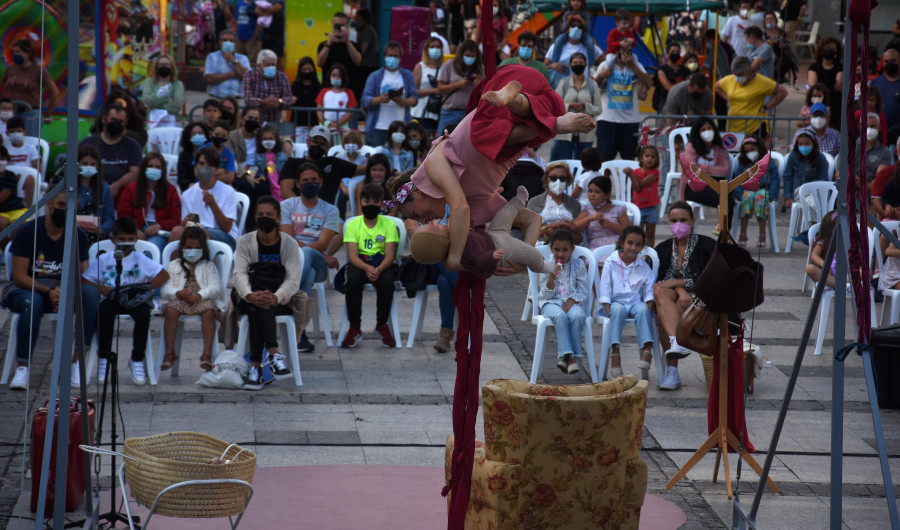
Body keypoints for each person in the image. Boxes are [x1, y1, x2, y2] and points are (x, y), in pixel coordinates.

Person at [387, 64, 593, 272]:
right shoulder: (476, 205)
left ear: (419, 192)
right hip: (544, 107)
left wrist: (455, 259)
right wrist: (523, 259)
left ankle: (539, 115)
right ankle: (541, 115)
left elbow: (459, 208)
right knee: (518, 119)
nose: (425, 221)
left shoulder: (434, 164)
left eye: (416, 214)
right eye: (423, 223)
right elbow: (532, 219)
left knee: (483, 133)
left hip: (504, 92)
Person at [2, 192, 99, 390]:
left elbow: (85, 275)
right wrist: (49, 291)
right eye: (61, 204)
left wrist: (64, 291)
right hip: (29, 288)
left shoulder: (77, 234)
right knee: (32, 303)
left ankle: (77, 361)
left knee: (90, 295)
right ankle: (23, 366)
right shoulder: (28, 231)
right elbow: (19, 276)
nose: (65, 210)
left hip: (63, 289)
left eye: (71, 207)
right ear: (49, 205)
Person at [83, 217, 169, 385]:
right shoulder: (104, 259)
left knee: (143, 315)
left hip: (135, 299)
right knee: (104, 314)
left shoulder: (140, 259)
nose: (126, 243)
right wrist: (102, 288)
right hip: (112, 297)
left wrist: (146, 287)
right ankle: (104, 357)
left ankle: (137, 359)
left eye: (130, 239)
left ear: (136, 239)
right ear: (113, 239)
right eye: (122, 239)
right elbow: (86, 279)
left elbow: (164, 274)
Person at [410, 185, 550, 279]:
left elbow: (533, 218)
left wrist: (521, 263)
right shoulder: (454, 245)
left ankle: (518, 202)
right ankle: (541, 265)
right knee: (445, 282)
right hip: (500, 249)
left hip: (494, 234)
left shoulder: (456, 196)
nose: (428, 220)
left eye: (416, 214)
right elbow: (477, 258)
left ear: (419, 192)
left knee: (505, 214)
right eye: (417, 219)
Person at [234, 195, 298, 389]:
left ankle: (256, 369)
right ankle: (274, 354)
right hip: (248, 295)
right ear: (254, 217)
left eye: (269, 215)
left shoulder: (289, 244)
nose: (265, 218)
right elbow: (239, 274)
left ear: (279, 218)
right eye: (260, 214)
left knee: (258, 310)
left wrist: (275, 297)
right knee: (256, 305)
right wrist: (250, 295)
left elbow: (293, 280)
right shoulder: (245, 242)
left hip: (279, 298)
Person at [653, 201, 716, 390]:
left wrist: (678, 283)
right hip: (673, 299)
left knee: (663, 313)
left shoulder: (707, 245)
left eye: (683, 220)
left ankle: (674, 346)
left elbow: (710, 278)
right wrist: (680, 290)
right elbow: (660, 282)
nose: (678, 224)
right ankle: (673, 361)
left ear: (692, 221)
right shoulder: (663, 249)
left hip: (702, 300)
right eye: (674, 220)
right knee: (660, 295)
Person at [280, 163, 341, 351]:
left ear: (321, 182)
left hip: (317, 260)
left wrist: (318, 252)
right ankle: (300, 334)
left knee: (306, 254)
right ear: (298, 184)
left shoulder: (330, 210)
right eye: (305, 181)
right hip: (295, 261)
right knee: (307, 274)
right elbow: (288, 239)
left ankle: (287, 296)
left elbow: (323, 244)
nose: (310, 184)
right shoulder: (286, 206)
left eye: (314, 180)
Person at [340, 183, 399, 347]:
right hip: (360, 262)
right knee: (352, 282)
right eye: (367, 201)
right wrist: (367, 268)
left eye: (375, 201)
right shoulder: (352, 224)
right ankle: (354, 328)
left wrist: (379, 268)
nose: (371, 205)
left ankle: (382, 325)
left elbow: (390, 255)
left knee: (388, 282)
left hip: (382, 262)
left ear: (381, 203)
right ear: (360, 203)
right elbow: (352, 256)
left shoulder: (388, 225)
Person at [160, 226, 224, 372]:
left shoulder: (208, 266)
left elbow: (216, 288)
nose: (192, 251)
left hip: (201, 299)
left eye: (197, 248)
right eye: (189, 247)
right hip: (181, 298)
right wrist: (177, 293)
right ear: (182, 247)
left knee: (209, 312)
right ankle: (169, 353)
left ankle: (206, 355)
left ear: (203, 249)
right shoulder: (174, 265)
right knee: (170, 311)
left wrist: (200, 295)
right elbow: (165, 289)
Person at [598, 226, 656, 380]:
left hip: (636, 302)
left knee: (643, 310)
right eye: (630, 243)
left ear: (642, 247)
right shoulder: (611, 262)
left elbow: (649, 286)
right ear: (622, 242)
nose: (633, 248)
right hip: (616, 302)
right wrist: (607, 305)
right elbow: (604, 286)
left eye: (638, 245)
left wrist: (649, 304)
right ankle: (615, 351)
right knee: (617, 311)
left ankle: (647, 348)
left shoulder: (643, 266)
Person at [538, 229, 588, 375]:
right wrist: (552, 278)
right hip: (550, 303)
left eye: (565, 250)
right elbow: (545, 294)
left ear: (572, 249)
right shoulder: (546, 265)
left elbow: (583, 290)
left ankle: (565, 357)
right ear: (551, 249)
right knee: (560, 316)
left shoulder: (578, 264)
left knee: (577, 316)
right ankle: (571, 357)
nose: (561, 254)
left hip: (573, 302)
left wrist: (572, 300)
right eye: (557, 250)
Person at [594, 40, 652, 161]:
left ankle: (629, 181)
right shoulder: (605, 65)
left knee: (630, 160)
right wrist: (601, 75)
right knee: (604, 161)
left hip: (630, 121)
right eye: (624, 51)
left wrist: (633, 66)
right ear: (616, 51)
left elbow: (648, 83)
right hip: (607, 120)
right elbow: (593, 87)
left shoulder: (636, 65)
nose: (627, 54)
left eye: (630, 51)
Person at [173, 147, 239, 249]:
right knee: (177, 231)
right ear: (195, 166)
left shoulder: (228, 191)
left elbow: (227, 228)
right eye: (202, 164)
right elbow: (185, 225)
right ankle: (175, 265)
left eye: (209, 165)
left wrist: (213, 204)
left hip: (225, 236)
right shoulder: (187, 194)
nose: (205, 168)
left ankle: (207, 265)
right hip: (196, 231)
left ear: (216, 170)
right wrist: (185, 222)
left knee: (201, 234)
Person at [116, 153, 182, 253]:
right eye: (150, 166)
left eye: (157, 167)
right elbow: (123, 215)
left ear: (163, 170)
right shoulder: (131, 188)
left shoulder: (170, 190)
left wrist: (159, 226)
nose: (154, 169)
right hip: (135, 229)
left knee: (151, 249)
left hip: (159, 231)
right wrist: (134, 230)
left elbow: (176, 219)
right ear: (144, 168)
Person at [78, 103, 143, 198]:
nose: (116, 123)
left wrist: (116, 186)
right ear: (104, 119)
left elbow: (135, 172)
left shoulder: (132, 145)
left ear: (126, 123)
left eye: (121, 121)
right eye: (113, 120)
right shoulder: (88, 143)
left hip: (121, 194)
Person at [361, 42, 419, 147]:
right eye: (390, 56)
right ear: (384, 57)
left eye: (395, 56)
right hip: (378, 128)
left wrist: (402, 101)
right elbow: (365, 100)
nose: (392, 59)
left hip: (402, 128)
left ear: (400, 58)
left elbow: (414, 99)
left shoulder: (407, 75)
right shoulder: (374, 76)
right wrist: (379, 99)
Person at [279, 125, 357, 201]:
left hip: (326, 211)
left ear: (327, 147)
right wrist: (303, 209)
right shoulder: (292, 163)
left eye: (322, 144)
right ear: (308, 142)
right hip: (298, 211)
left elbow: (363, 169)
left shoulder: (334, 163)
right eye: (315, 142)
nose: (318, 146)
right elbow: (286, 192)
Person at [1, 38, 61, 136]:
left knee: (31, 142)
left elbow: (54, 92)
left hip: (30, 113)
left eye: (18, 52)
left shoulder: (38, 71)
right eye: (14, 52)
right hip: (11, 113)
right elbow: (4, 88)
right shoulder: (10, 70)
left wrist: (49, 112)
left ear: (28, 53)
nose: (15, 55)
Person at [715, 56, 787, 137]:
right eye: (736, 75)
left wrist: (767, 106)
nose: (738, 78)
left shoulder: (762, 81)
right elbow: (717, 87)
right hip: (733, 127)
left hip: (755, 127)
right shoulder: (729, 80)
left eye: (741, 75)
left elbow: (782, 92)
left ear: (749, 71)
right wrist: (728, 98)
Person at [682, 117, 734, 229]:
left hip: (717, 184)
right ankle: (723, 230)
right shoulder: (691, 147)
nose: (707, 131)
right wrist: (714, 168)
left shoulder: (720, 148)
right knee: (723, 197)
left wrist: (703, 168)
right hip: (695, 186)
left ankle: (724, 232)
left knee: (728, 199)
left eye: (709, 128)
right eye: (703, 129)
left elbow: (725, 170)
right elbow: (691, 169)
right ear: (698, 132)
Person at [550, 53, 601, 161]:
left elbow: (598, 109)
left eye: (581, 63)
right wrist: (569, 105)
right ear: (570, 65)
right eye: (575, 63)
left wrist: (586, 106)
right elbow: (554, 106)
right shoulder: (564, 83)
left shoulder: (592, 85)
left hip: (586, 131)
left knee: (583, 163)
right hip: (565, 132)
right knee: (566, 162)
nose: (578, 65)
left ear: (585, 65)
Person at [734, 136, 778, 249]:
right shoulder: (742, 163)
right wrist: (739, 195)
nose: (750, 153)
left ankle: (762, 234)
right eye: (747, 151)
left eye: (752, 150)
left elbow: (774, 180)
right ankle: (743, 234)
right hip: (747, 190)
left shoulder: (768, 161)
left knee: (761, 198)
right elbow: (737, 181)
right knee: (746, 199)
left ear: (759, 148)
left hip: (763, 190)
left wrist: (772, 195)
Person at [526, 162, 582, 244]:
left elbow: (581, 237)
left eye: (562, 178)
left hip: (567, 247)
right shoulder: (534, 202)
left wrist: (571, 229)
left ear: (567, 181)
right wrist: (552, 226)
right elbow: (528, 232)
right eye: (553, 178)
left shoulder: (575, 204)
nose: (558, 182)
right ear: (546, 179)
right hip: (540, 246)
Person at [436, 40, 484, 135]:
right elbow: (440, 89)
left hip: (470, 114)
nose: (469, 58)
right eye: (467, 55)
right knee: (442, 143)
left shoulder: (481, 69)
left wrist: (479, 85)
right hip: (450, 112)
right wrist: (458, 84)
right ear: (461, 54)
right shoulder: (449, 65)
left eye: (472, 56)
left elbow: (486, 93)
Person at [574, 174, 629, 254]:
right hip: (595, 248)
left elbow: (629, 232)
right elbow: (575, 227)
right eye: (590, 191)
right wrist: (589, 218)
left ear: (607, 195)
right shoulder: (587, 210)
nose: (592, 195)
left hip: (616, 246)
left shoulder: (618, 210)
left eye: (597, 192)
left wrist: (611, 225)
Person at [544, 14, 603, 87]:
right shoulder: (555, 47)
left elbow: (605, 63)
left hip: (584, 90)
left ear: (583, 32)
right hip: (561, 90)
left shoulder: (591, 48)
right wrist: (552, 66)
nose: (576, 29)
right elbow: (544, 67)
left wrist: (597, 76)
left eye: (579, 27)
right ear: (568, 30)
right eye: (573, 26)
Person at [75, 144, 116, 242]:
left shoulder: (104, 187)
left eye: (92, 164)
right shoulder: (66, 185)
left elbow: (109, 216)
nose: (88, 167)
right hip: (72, 235)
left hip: (97, 237)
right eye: (84, 164)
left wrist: (101, 230)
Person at [782, 130, 830, 211]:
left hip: (815, 191)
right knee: (810, 202)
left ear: (813, 144)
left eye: (807, 143)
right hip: (798, 191)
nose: (803, 146)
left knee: (811, 201)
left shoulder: (820, 158)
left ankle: (808, 222)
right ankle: (812, 223)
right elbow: (787, 177)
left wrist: (812, 188)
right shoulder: (793, 157)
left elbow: (823, 179)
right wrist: (788, 197)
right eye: (800, 144)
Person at [243, 49, 295, 123]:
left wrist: (279, 101)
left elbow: (289, 98)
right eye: (267, 65)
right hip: (255, 122)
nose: (271, 67)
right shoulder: (249, 75)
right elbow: (248, 98)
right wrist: (263, 102)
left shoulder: (282, 77)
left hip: (275, 122)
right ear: (259, 66)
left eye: (273, 65)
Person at [317, 12, 362, 95]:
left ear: (346, 27)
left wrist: (347, 40)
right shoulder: (324, 45)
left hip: (350, 91)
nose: (339, 28)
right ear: (332, 26)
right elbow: (319, 63)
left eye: (341, 25)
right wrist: (330, 41)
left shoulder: (354, 45)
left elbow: (358, 61)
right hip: (328, 91)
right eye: (336, 25)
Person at [627, 145, 661, 247]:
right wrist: (632, 176)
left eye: (653, 156)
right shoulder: (636, 172)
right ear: (641, 158)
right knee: (638, 233)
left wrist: (631, 175)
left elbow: (640, 185)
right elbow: (636, 188)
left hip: (652, 207)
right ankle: (638, 253)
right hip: (638, 207)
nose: (650, 159)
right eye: (647, 156)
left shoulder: (655, 172)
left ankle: (650, 255)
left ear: (656, 159)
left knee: (650, 233)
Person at [412, 37, 446, 134]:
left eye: (438, 47)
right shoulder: (420, 67)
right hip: (421, 112)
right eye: (432, 46)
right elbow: (414, 92)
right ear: (426, 49)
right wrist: (436, 90)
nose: (435, 49)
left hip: (438, 112)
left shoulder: (445, 67)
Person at [808, 37, 843, 130]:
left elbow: (839, 84)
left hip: (836, 107)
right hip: (818, 106)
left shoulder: (840, 67)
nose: (829, 50)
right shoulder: (814, 67)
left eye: (833, 49)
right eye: (827, 47)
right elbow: (812, 84)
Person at [204, 29, 250, 99]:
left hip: (237, 99)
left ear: (235, 43)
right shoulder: (212, 57)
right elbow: (209, 79)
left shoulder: (243, 58)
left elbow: (247, 77)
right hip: (216, 98)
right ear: (219, 43)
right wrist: (231, 74)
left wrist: (233, 60)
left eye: (231, 41)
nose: (228, 43)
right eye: (225, 40)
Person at [142, 55, 184, 128]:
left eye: (166, 64)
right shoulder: (150, 81)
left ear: (171, 67)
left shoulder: (177, 84)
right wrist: (167, 99)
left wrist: (155, 102)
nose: (164, 67)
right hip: (152, 123)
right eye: (161, 64)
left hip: (172, 123)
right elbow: (146, 100)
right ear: (157, 67)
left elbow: (177, 105)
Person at [316, 64, 358, 130]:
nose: (336, 78)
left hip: (342, 127)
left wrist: (338, 124)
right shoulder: (324, 91)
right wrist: (325, 122)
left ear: (343, 77)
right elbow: (319, 109)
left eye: (339, 76)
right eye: (333, 75)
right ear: (329, 76)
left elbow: (350, 112)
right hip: (325, 126)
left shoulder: (349, 93)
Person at [869, 47, 900, 138]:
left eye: (893, 60)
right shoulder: (874, 83)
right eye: (886, 61)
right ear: (882, 64)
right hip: (877, 136)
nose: (889, 63)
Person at [805, 210, 838, 289]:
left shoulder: (849, 241)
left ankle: (842, 285)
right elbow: (814, 255)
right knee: (810, 269)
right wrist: (825, 265)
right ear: (830, 229)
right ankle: (840, 286)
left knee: (867, 271)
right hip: (829, 273)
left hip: (846, 274)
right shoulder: (824, 241)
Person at [762, 10, 797, 84]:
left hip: (779, 53)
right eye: (767, 19)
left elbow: (787, 43)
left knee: (785, 61)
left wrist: (783, 44)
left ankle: (779, 77)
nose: (769, 21)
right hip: (765, 52)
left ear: (775, 20)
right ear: (764, 21)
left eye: (771, 19)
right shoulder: (763, 33)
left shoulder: (781, 32)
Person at [654, 42, 690, 112]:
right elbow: (667, 87)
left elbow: (689, 86)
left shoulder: (685, 70)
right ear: (667, 54)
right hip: (665, 105)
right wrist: (683, 86)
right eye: (673, 51)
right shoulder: (662, 69)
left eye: (677, 52)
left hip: (681, 105)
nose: (675, 53)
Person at [0, 145, 28, 234]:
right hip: (1, 213)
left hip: (16, 209)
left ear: (7, 160)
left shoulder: (11, 176)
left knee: (19, 229)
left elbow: (3, 196)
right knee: (2, 224)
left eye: (2, 159)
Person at [253, 124, 286, 200]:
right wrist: (257, 176)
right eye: (265, 139)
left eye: (271, 139)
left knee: (271, 166)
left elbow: (283, 170)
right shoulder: (259, 156)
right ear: (261, 141)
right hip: (265, 179)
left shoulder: (281, 155)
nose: (268, 141)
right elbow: (255, 168)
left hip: (278, 180)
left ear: (276, 140)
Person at [871, 137, 900, 220]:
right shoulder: (885, 174)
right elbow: (876, 199)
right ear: (896, 152)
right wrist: (888, 210)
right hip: (890, 219)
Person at [177, 122, 210, 191]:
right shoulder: (183, 156)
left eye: (200, 133)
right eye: (194, 133)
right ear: (188, 136)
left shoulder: (211, 153)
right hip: (191, 189)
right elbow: (181, 179)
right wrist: (190, 185)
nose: (197, 135)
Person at [292, 57, 323, 130]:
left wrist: (299, 100)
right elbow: (293, 101)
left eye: (309, 69)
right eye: (304, 69)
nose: (307, 72)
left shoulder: (318, 86)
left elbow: (316, 102)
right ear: (300, 70)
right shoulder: (295, 85)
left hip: (313, 122)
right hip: (298, 122)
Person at [354, 9, 381, 94]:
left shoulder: (368, 30)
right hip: (363, 64)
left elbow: (363, 49)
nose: (357, 22)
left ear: (365, 20)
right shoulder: (359, 30)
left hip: (369, 65)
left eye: (359, 20)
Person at [203, 121, 238, 186]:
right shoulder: (203, 150)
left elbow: (230, 178)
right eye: (217, 135)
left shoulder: (229, 154)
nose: (220, 138)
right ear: (211, 134)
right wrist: (222, 172)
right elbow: (197, 173)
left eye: (224, 136)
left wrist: (210, 175)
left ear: (228, 137)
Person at [863, 113, 893, 186]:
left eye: (872, 126)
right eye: (866, 126)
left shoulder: (885, 153)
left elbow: (878, 183)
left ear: (879, 128)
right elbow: (838, 175)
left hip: (869, 194)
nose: (869, 130)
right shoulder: (850, 149)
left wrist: (857, 183)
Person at [255, 0, 286, 71]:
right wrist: (269, 11)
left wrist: (263, 10)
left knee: (278, 57)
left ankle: (281, 78)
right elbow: (256, 11)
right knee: (265, 57)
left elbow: (274, 9)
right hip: (266, 34)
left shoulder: (281, 1)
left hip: (278, 34)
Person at [234, 0, 261, 67]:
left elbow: (260, 21)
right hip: (240, 36)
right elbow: (236, 18)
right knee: (239, 59)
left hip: (251, 37)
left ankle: (252, 76)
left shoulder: (257, 4)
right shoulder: (240, 3)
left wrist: (255, 35)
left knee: (253, 61)